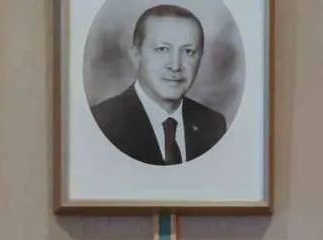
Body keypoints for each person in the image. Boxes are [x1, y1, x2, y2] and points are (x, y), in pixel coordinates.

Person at [90, 4, 228, 166]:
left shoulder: (213, 125)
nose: (175, 65)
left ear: (200, 59)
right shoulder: (103, 122)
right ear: (136, 55)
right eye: (162, 49)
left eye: (188, 51)